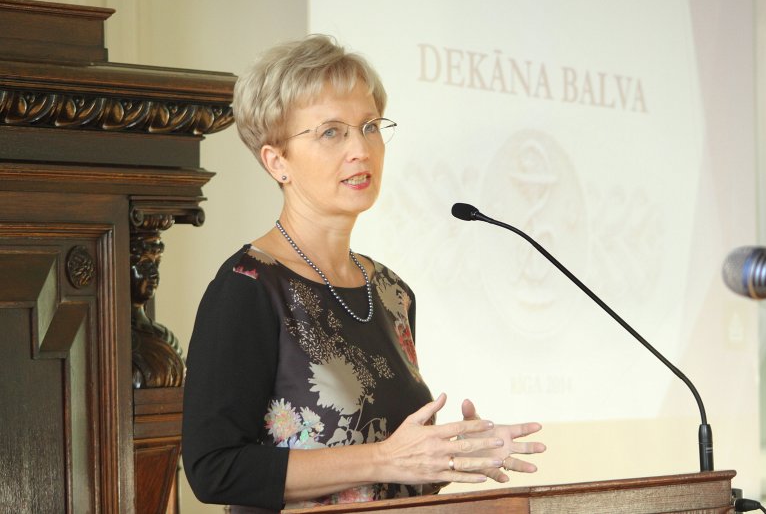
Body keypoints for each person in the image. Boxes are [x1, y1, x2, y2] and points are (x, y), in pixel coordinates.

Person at [182, 35, 546, 513]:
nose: (361, 149)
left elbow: (392, 477)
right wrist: (383, 459)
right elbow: (214, 469)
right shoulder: (249, 286)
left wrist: (448, 455)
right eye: (331, 132)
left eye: (370, 126)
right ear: (277, 161)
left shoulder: (392, 293)